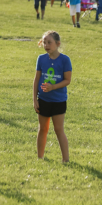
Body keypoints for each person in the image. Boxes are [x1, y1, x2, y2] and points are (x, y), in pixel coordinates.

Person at [33, 31, 72, 163]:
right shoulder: (41, 59)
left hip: (58, 101)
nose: (46, 45)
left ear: (58, 44)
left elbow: (67, 80)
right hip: (43, 99)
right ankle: (40, 158)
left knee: (58, 129)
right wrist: (34, 99)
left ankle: (65, 160)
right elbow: (36, 79)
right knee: (43, 128)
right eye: (44, 42)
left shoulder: (65, 60)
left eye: (49, 42)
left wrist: (53, 87)